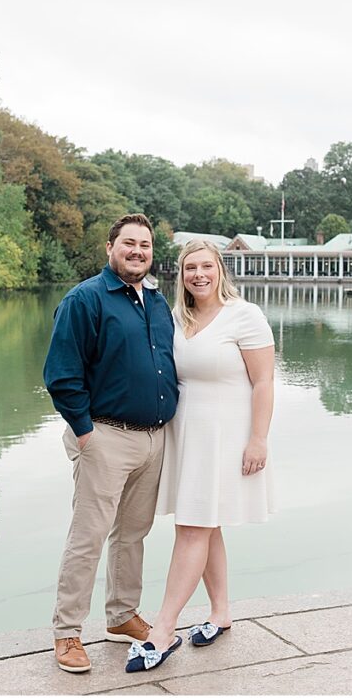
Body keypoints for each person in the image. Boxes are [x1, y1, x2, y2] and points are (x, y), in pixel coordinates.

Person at [126, 239, 275, 673]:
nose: (199, 275)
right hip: (186, 434)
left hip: (227, 436)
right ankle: (220, 611)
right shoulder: (176, 318)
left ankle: (163, 630)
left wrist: (258, 439)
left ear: (220, 270)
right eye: (191, 267)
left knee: (193, 527)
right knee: (204, 526)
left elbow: (264, 382)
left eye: (206, 266)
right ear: (182, 274)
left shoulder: (245, 315)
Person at [43, 213, 178, 673]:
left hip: (153, 440)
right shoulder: (85, 299)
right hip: (103, 436)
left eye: (145, 244)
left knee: (133, 535)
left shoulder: (157, 302)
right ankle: (67, 633)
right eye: (128, 243)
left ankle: (121, 616)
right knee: (88, 537)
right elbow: (62, 375)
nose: (137, 251)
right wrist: (85, 433)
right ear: (110, 247)